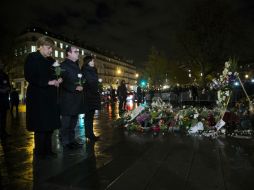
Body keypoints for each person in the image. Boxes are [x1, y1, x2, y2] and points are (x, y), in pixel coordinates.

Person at [24, 36, 62, 159]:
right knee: (40, 126)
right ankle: (40, 152)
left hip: (50, 97)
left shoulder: (52, 60)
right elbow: (30, 76)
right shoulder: (32, 58)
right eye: (48, 47)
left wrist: (59, 79)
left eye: (52, 48)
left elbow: (57, 73)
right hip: (38, 97)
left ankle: (48, 150)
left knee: (49, 125)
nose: (51, 50)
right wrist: (48, 82)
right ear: (40, 46)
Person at [59, 46, 84, 149]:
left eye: (78, 51)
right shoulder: (63, 65)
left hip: (76, 98)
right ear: (68, 53)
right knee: (66, 123)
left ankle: (72, 140)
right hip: (67, 99)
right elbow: (62, 82)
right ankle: (65, 142)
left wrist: (82, 83)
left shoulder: (76, 66)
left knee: (73, 122)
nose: (78, 53)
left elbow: (78, 79)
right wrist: (75, 87)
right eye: (75, 51)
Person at [82, 55, 101, 142]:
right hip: (88, 96)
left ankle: (90, 134)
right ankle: (89, 134)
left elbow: (94, 82)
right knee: (88, 116)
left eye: (93, 61)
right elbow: (90, 82)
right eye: (92, 61)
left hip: (93, 95)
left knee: (90, 116)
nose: (93, 62)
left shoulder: (93, 70)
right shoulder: (85, 70)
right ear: (87, 62)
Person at [0, 61, 11, 139]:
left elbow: (8, 85)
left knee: (3, 117)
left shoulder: (5, 75)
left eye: (2, 64)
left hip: (4, 100)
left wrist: (8, 88)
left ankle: (3, 131)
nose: (2, 65)